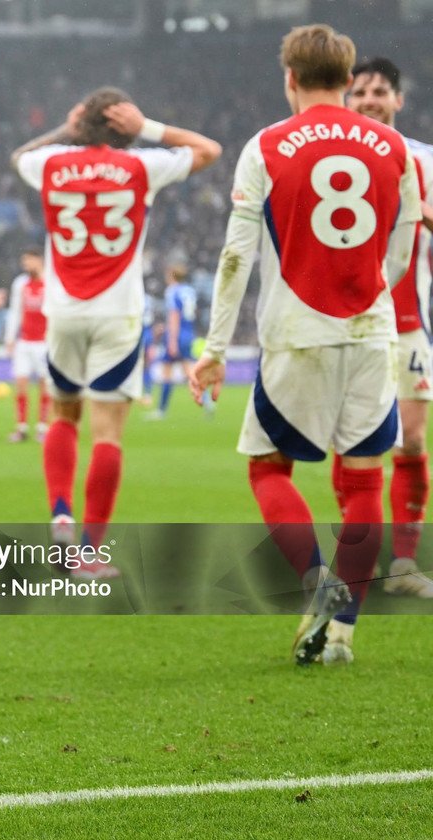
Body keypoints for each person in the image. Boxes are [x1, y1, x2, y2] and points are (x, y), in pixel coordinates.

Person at [189, 25, 421, 666]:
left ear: (289, 79)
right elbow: (403, 249)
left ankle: (318, 584)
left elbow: (237, 256)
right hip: (371, 332)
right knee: (363, 482)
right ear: (349, 82)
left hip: (295, 335)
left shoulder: (267, 146)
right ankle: (342, 632)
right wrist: (375, 289)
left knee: (267, 468)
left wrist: (213, 349)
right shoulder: (394, 148)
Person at [12, 87, 221, 574]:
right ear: (123, 124)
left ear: (81, 122)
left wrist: (68, 127)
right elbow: (209, 150)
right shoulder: (141, 166)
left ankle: (60, 514)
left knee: (63, 415)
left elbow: (18, 155)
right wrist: (147, 127)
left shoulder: (51, 163)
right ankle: (87, 551)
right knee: (108, 433)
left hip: (63, 311)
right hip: (119, 314)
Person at [342, 56, 433, 600]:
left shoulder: (425, 159)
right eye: (361, 92)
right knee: (354, 445)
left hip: (407, 324)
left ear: (399, 99)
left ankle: (403, 562)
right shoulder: (334, 156)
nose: (371, 99)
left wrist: (422, 209)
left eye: (380, 90)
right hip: (347, 323)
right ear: (347, 100)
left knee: (413, 441)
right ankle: (359, 558)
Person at [5, 248, 50, 442]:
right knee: (21, 384)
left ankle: (42, 427)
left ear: (39, 260)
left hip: (45, 343)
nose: (25, 265)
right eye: (23, 261)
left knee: (45, 385)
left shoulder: (51, 282)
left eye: (28, 261)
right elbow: (16, 311)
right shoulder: (20, 284)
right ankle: (21, 427)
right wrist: (10, 338)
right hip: (24, 342)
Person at [148, 264, 197, 420]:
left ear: (172, 276)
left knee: (166, 372)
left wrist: (172, 341)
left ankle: (161, 411)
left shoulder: (172, 291)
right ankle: (208, 402)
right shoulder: (189, 291)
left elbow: (174, 315)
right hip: (189, 333)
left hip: (176, 335)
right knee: (190, 371)